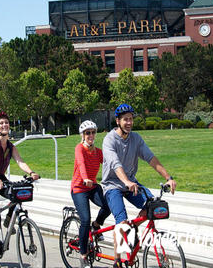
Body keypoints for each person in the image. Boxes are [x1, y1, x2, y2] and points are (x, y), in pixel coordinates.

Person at [101, 104, 177, 268]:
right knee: (121, 222)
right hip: (112, 185)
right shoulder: (109, 139)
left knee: (152, 204)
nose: (129, 122)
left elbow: (151, 158)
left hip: (131, 184)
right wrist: (126, 181)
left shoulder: (136, 138)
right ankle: (117, 261)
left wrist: (168, 177)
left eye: (131, 119)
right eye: (125, 119)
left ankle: (132, 228)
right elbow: (115, 164)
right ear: (118, 121)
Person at [0, 111, 39, 268]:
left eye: (6, 122)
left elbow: (20, 161)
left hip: (0, 178)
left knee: (18, 194)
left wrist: (31, 172)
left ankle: (9, 221)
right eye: (1, 123)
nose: (4, 125)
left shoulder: (11, 146)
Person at [71, 120, 111, 268]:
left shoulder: (98, 152)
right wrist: (85, 177)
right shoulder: (79, 148)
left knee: (109, 204)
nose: (91, 135)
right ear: (83, 135)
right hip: (79, 188)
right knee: (85, 220)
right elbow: (81, 163)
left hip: (92, 186)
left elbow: (109, 164)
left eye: (93, 132)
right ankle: (83, 254)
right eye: (88, 133)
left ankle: (97, 225)